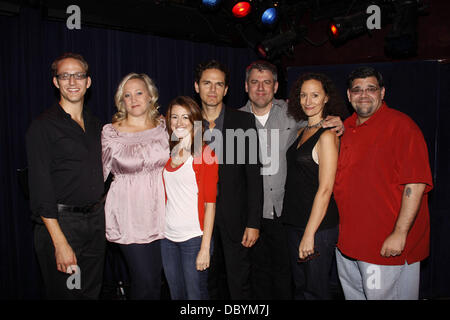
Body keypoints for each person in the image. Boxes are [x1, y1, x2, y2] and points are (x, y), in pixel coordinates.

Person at [239, 61, 345, 299]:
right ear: (246, 86)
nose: (261, 88)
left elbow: (326, 187)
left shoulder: (290, 115)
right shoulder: (237, 119)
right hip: (257, 215)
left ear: (276, 86)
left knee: (298, 283)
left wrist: (339, 122)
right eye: (254, 82)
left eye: (267, 82)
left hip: (289, 215)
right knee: (264, 278)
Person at [333, 66, 433, 300]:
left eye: (371, 89)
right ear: (348, 95)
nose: (364, 95)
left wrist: (400, 233)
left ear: (382, 92)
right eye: (357, 90)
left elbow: (415, 184)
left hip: (385, 246)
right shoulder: (344, 127)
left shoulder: (402, 127)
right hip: (347, 245)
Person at [26, 53, 106, 299]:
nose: (72, 81)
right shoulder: (42, 127)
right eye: (65, 76)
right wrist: (59, 243)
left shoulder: (96, 125)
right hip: (61, 226)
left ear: (88, 81)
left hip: (95, 223)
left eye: (78, 75)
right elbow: (40, 189)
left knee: (90, 293)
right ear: (56, 82)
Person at [194, 60, 264, 299]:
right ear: (197, 87)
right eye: (207, 83)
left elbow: (254, 176)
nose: (212, 90)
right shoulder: (187, 123)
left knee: (238, 280)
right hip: (198, 216)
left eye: (218, 84)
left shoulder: (243, 122)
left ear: (226, 90)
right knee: (206, 278)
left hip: (236, 216)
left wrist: (254, 222)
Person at [101, 73, 169, 299]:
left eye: (139, 92)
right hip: (128, 216)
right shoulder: (111, 132)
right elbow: (96, 175)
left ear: (151, 96)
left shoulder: (165, 127)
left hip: (163, 214)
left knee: (156, 282)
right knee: (144, 279)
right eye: (127, 95)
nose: (133, 99)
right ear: (121, 101)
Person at [281, 72, 348, 300]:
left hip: (318, 227)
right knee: (300, 289)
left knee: (315, 292)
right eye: (303, 95)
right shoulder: (299, 131)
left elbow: (325, 189)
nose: (308, 101)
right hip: (293, 222)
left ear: (326, 98)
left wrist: (310, 234)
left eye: (315, 95)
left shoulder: (328, 135)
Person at [161, 96, 218, 300]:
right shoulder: (170, 152)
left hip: (194, 239)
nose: (179, 122)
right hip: (167, 239)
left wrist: (205, 247)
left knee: (196, 297)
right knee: (176, 295)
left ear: (195, 121)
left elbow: (210, 205)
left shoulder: (205, 154)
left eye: (185, 117)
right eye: (174, 117)